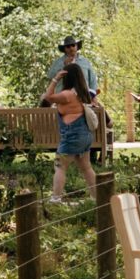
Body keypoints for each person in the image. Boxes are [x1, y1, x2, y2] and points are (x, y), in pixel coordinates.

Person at [44, 63, 97, 204]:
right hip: (85, 134)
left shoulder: (67, 95)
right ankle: (97, 196)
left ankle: (56, 199)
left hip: (72, 135)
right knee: (86, 167)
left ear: (67, 77)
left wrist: (55, 79)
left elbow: (48, 97)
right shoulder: (81, 93)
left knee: (60, 166)